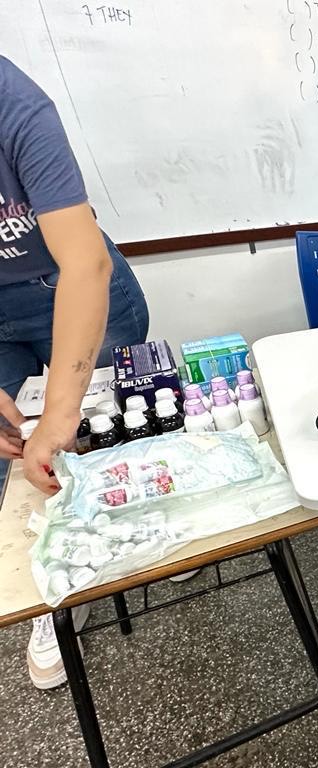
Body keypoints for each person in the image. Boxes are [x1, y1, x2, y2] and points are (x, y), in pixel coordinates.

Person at [0, 56, 149, 689]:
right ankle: (53, 581)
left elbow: (85, 264)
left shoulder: (14, 102)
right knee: (18, 457)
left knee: (102, 430)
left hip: (69, 280)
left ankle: (150, 533)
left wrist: (58, 416)